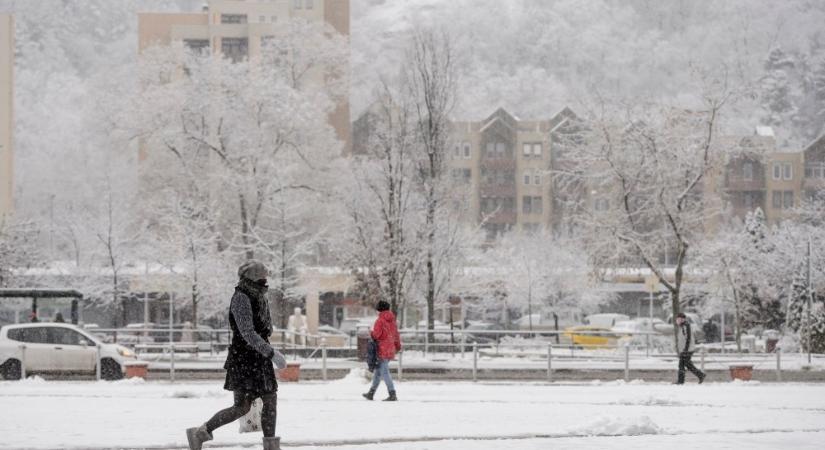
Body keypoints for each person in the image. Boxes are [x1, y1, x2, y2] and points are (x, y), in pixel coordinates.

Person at [186, 260, 287, 450]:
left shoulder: (259, 295)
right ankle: (200, 432)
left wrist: (267, 347)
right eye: (262, 276)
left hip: (258, 356)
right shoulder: (241, 297)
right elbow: (247, 332)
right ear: (253, 277)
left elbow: (264, 327)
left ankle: (271, 446)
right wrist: (272, 353)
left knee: (270, 399)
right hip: (245, 359)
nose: (266, 280)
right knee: (242, 407)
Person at [362, 301, 401, 401]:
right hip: (390, 348)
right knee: (378, 372)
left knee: (384, 372)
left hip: (382, 348)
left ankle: (392, 394)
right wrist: (397, 346)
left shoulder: (379, 321)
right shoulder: (393, 321)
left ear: (379, 309)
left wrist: (371, 333)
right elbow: (396, 335)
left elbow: (376, 335)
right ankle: (371, 393)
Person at [675, 312, 705, 385]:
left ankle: (681, 381)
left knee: (683, 365)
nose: (678, 321)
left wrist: (685, 349)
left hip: (687, 349)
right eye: (677, 319)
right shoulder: (682, 326)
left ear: (683, 319)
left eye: (679, 319)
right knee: (686, 365)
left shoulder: (686, 326)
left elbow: (688, 338)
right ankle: (700, 375)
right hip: (684, 349)